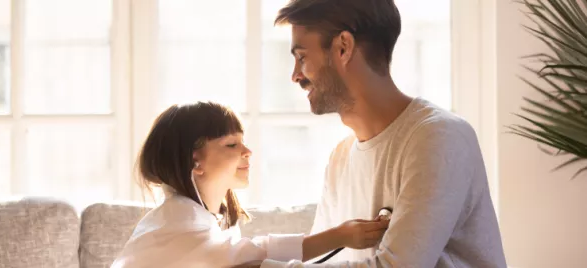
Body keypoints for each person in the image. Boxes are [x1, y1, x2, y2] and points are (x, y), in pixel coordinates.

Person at [237, 0, 508, 267]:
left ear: (343, 47)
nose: (295, 75)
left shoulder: (439, 137)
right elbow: (323, 260)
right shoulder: (341, 158)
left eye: (302, 57)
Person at [110, 102, 390, 268]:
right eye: (232, 144)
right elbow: (254, 256)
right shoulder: (175, 227)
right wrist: (339, 236)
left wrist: (340, 235)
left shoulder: (205, 221)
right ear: (195, 161)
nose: (248, 152)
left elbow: (249, 251)